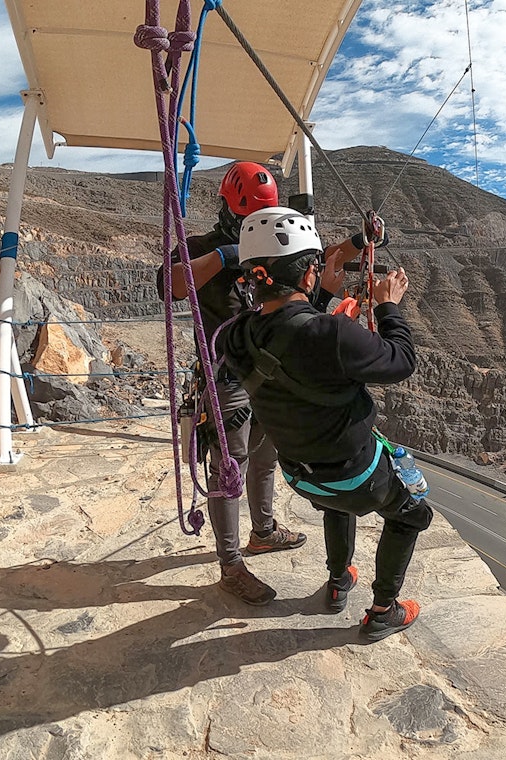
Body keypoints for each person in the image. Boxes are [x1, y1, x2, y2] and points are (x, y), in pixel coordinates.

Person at [216, 207, 433, 642]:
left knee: (337, 504)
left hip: (301, 474)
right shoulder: (334, 336)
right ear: (307, 274)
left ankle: (338, 582)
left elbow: (285, 334)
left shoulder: (234, 336)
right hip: (357, 475)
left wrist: (331, 318)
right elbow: (402, 361)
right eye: (315, 265)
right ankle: (383, 611)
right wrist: (388, 306)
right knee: (413, 515)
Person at [156, 162, 305, 606]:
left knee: (265, 455)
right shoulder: (201, 247)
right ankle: (231, 562)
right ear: (227, 209)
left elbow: (310, 273)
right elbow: (171, 285)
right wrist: (225, 255)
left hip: (270, 370)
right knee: (229, 464)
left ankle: (263, 530)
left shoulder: (272, 245)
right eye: (246, 220)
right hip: (227, 375)